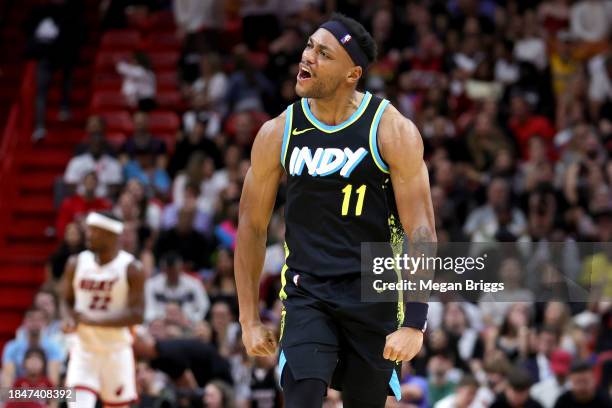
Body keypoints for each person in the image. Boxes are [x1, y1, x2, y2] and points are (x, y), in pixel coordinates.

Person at [235, 13, 435, 408]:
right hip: (309, 293)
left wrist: (414, 321)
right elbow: (252, 226)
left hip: (373, 295)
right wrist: (248, 319)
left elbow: (422, 231)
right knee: (303, 395)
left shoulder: (391, 130)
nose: (307, 57)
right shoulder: (279, 131)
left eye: (323, 53)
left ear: (351, 73)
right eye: (309, 46)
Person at [62, 211, 145, 408]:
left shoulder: (131, 268)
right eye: (89, 231)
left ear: (112, 236)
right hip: (83, 349)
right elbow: (65, 300)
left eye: (95, 232)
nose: (88, 236)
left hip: (116, 350)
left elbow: (137, 314)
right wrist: (67, 318)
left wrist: (94, 320)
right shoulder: (76, 263)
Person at [1, 307, 63, 388]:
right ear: (24, 322)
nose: (35, 323)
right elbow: (7, 380)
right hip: (19, 390)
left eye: (39, 320)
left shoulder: (54, 347)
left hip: (44, 391)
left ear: (45, 323)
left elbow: (53, 382)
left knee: (67, 392)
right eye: (31, 319)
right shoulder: (12, 347)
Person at [144, 251, 210, 323]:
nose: (172, 273)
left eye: (174, 271)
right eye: (169, 270)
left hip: (188, 324)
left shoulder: (194, 284)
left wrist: (192, 319)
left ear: (181, 268)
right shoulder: (151, 284)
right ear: (163, 269)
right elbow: (148, 309)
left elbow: (204, 306)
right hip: (160, 324)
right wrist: (160, 319)